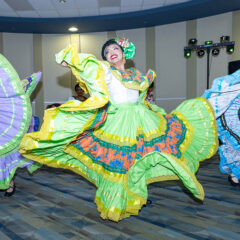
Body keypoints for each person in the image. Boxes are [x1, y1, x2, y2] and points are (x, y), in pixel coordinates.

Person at [20, 38, 218, 221]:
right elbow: (89, 66)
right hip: (118, 124)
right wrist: (70, 60)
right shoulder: (106, 72)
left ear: (124, 53)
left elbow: (139, 96)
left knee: (140, 161)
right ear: (105, 58)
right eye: (107, 51)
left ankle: (136, 194)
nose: (111, 52)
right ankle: (117, 202)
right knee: (120, 165)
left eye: (115, 48)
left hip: (141, 121)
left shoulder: (135, 75)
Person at [0, 54, 42, 196]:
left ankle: (10, 183)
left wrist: (29, 81)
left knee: (4, 156)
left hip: (3, 125)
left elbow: (13, 92)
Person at [203, 70, 240, 186]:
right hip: (225, 118)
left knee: (231, 147)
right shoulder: (233, 86)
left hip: (231, 117)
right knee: (232, 144)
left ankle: (235, 174)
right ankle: (235, 173)